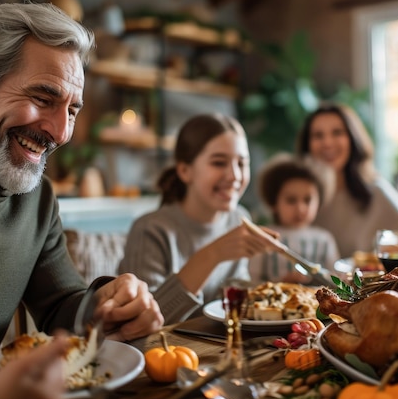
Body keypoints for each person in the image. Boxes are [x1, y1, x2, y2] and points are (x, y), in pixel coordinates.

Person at [0, 1, 164, 398]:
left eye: (72, 110)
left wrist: (108, 305)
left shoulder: (36, 198)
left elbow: (60, 305)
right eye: (43, 97)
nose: (60, 132)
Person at [117, 113, 280, 324]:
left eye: (241, 163)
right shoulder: (150, 230)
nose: (234, 176)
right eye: (219, 162)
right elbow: (139, 323)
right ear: (185, 171)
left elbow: (236, 300)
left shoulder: (239, 219)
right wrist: (213, 254)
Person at [296, 103, 398, 259]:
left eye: (337, 133)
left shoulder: (376, 191)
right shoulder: (298, 198)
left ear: (352, 139)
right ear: (307, 145)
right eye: (318, 135)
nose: (328, 143)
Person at [249, 154, 340, 284]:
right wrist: (280, 283)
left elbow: (335, 281)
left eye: (307, 200)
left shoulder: (325, 239)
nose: (300, 208)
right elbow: (253, 280)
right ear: (274, 202)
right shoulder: (265, 237)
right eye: (291, 200)